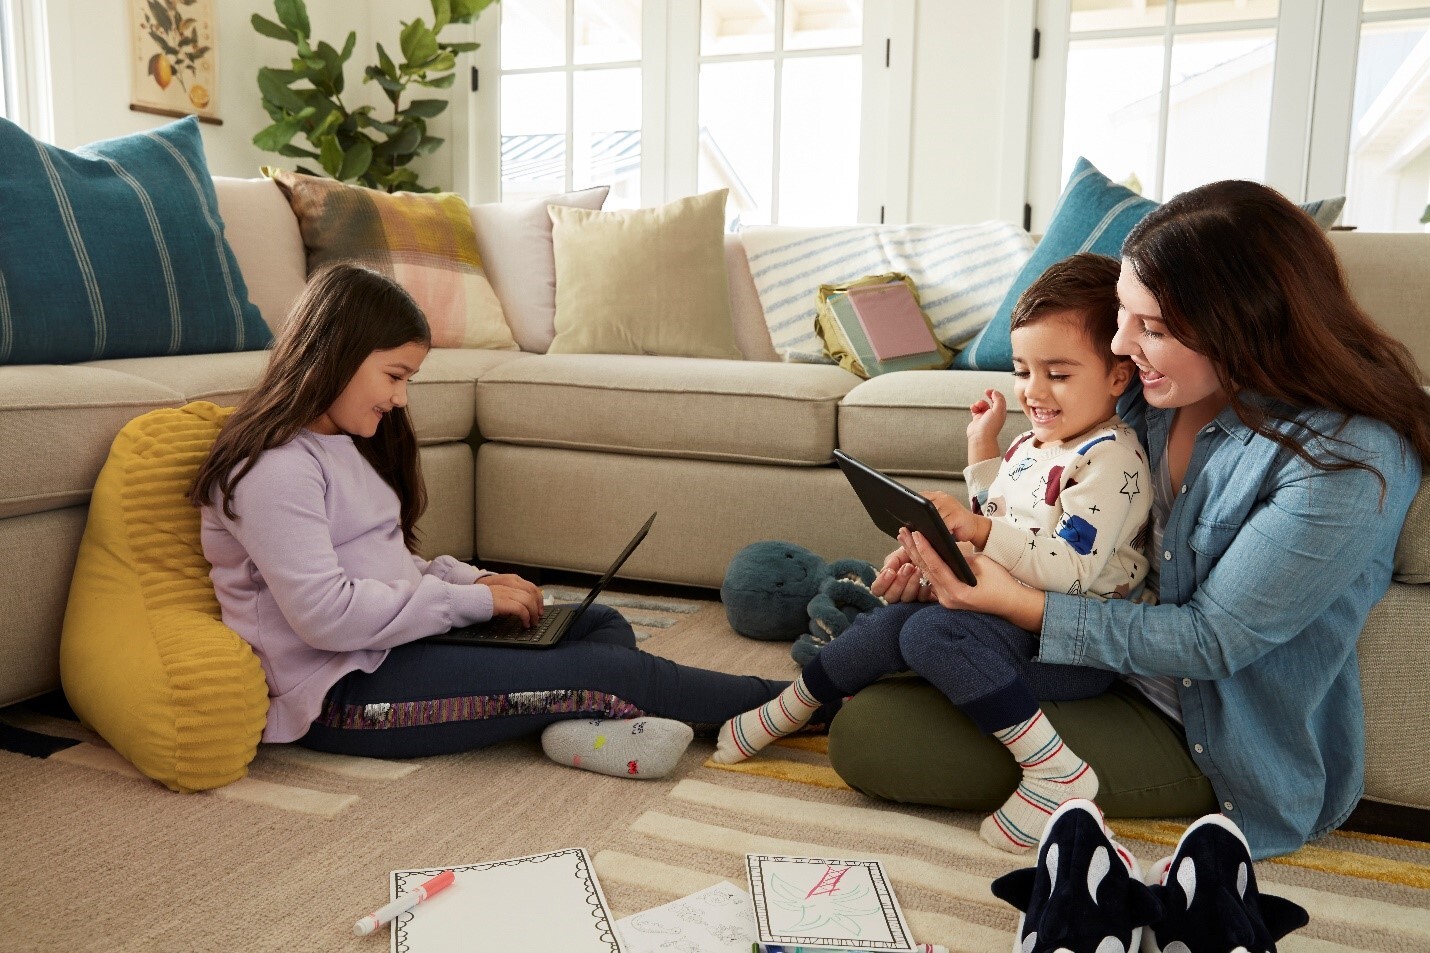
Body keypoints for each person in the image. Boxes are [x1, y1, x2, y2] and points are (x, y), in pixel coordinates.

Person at [828, 179, 1428, 860]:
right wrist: (956, 561)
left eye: (1153, 328)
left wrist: (1019, 604)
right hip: (1093, 662)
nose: (1119, 343)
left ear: (1247, 323)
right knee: (891, 651)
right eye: (1122, 314)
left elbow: (1210, 642)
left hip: (1199, 728)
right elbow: (1051, 508)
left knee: (868, 733)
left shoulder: (1344, 462)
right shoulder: (1156, 396)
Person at [190, 262, 830, 778]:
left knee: (594, 623)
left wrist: (475, 579)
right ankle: (801, 704)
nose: (400, 397)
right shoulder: (272, 468)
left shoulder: (342, 444)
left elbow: (385, 565)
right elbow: (326, 614)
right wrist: (467, 604)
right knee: (608, 670)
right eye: (394, 375)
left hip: (393, 648)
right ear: (334, 353)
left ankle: (577, 725)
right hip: (345, 695)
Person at [713, 253, 1153, 853]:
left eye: (1059, 373)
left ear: (1118, 377)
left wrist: (973, 531)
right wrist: (982, 460)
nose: (1034, 391)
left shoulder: (1111, 461)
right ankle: (791, 707)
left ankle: (1054, 771)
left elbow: (1068, 570)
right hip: (1010, 613)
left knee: (929, 636)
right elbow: (1002, 521)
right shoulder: (1035, 441)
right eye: (1024, 371)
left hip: (1070, 642)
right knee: (896, 621)